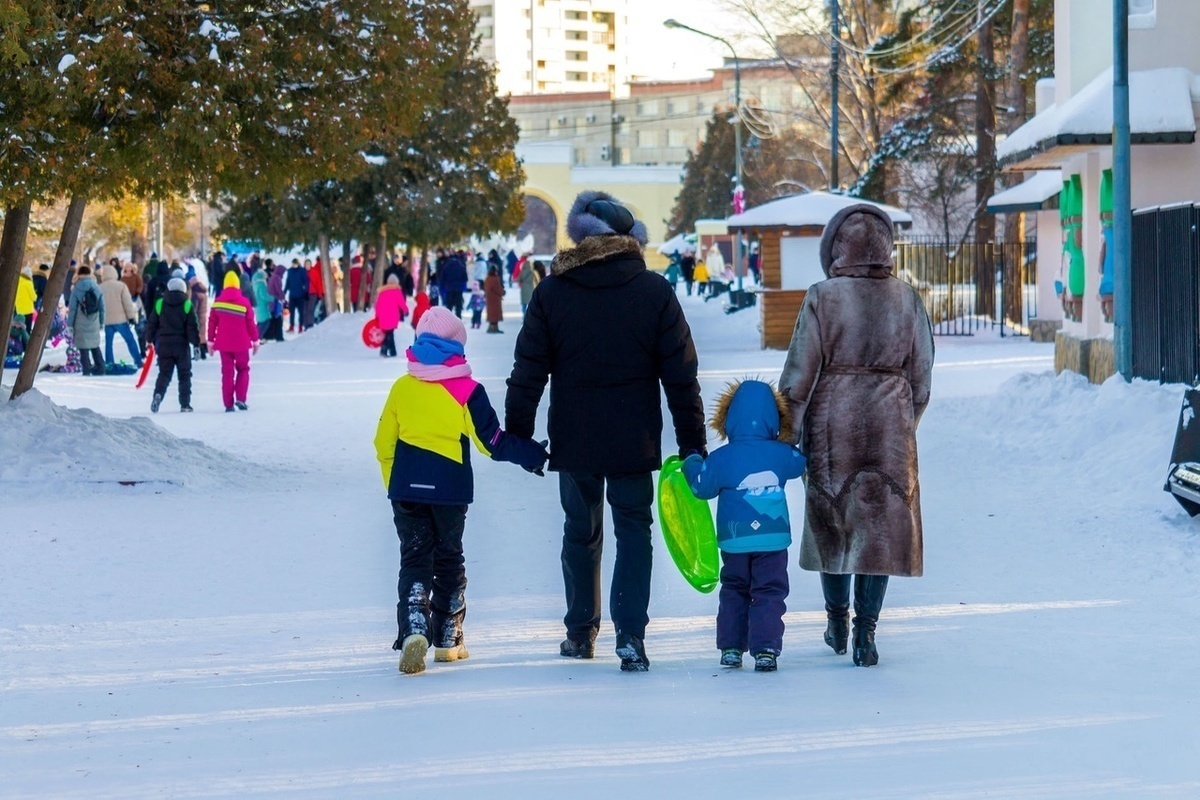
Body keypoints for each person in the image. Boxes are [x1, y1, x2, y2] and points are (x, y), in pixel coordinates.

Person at [505, 190, 706, 671]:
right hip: (634, 437)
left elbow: (529, 366)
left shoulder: (554, 292)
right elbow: (681, 375)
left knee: (581, 531)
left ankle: (580, 632)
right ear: (630, 240)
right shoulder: (654, 291)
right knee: (634, 531)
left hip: (575, 438)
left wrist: (518, 432)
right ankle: (631, 635)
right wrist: (692, 443)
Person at [778, 204, 935, 668]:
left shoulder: (822, 297)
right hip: (890, 427)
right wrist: (906, 421)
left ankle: (836, 621)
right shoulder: (907, 299)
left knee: (834, 523)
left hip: (832, 424)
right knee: (880, 531)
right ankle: (867, 632)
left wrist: (789, 430)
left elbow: (799, 375)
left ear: (836, 249)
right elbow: (922, 379)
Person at [374, 307, 548, 674]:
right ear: (456, 346)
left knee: (414, 559)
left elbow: (382, 443)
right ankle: (449, 638)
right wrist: (533, 454)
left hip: (406, 489)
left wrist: (394, 481)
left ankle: (414, 629)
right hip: (450, 491)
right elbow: (493, 444)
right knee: (449, 558)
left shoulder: (403, 387)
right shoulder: (467, 390)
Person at [681, 380, 807, 672]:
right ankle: (765, 648)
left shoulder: (722, 458)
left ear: (728, 420)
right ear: (775, 419)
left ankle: (731, 647)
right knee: (769, 590)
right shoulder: (780, 454)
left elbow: (701, 487)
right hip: (772, 539)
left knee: (734, 587)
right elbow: (800, 464)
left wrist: (691, 462)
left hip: (734, 539)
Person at [146, 276, 200, 413]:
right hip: (182, 346)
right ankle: (185, 404)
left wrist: (149, 339)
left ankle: (158, 394)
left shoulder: (160, 303)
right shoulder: (187, 305)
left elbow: (152, 324)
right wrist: (197, 345)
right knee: (184, 375)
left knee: (164, 374)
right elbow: (192, 327)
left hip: (164, 345)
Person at [208, 269, 259, 412]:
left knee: (227, 373)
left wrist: (210, 341)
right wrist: (255, 340)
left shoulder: (217, 303)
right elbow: (251, 323)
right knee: (243, 369)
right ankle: (241, 399)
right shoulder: (244, 303)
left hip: (224, 345)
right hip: (241, 344)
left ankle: (228, 404)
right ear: (238, 285)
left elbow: (212, 323)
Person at [98, 264, 142, 369]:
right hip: (121, 320)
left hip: (107, 321)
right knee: (130, 340)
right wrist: (131, 317)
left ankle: (109, 363)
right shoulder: (121, 286)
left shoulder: (99, 288)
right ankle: (138, 360)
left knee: (108, 344)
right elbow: (127, 303)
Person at [67, 264, 106, 376]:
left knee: (83, 347)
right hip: (94, 320)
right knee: (95, 345)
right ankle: (100, 368)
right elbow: (102, 306)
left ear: (78, 274)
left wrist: (70, 325)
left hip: (80, 321)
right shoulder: (96, 287)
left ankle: (86, 369)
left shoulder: (76, 288)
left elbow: (72, 309)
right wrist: (102, 322)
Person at [374, 274, 409, 358]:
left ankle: (393, 352)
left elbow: (377, 305)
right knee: (389, 334)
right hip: (393, 316)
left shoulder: (382, 292)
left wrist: (377, 316)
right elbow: (402, 303)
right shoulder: (397, 291)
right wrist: (406, 311)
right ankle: (384, 350)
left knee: (389, 333)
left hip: (383, 316)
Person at [438, 251, 467, 319]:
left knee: (449, 305)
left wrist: (442, 289)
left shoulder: (446, 267)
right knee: (458, 306)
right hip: (458, 288)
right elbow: (465, 279)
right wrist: (463, 287)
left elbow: (442, 279)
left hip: (449, 288)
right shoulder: (461, 267)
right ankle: (458, 318)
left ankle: (449, 319)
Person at [285, 259, 309, 332]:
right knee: (291, 312)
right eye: (293, 264)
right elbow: (288, 281)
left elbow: (306, 281)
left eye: (296, 264)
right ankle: (291, 326)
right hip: (292, 295)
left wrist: (306, 291)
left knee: (301, 312)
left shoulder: (302, 271)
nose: (294, 265)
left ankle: (300, 326)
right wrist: (285, 291)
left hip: (300, 294)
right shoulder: (290, 271)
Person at [483, 264, 504, 333]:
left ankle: (491, 327)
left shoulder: (487, 279)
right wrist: (503, 292)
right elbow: (498, 289)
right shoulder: (495, 279)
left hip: (489, 299)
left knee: (491, 313)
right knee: (495, 314)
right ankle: (494, 328)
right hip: (495, 299)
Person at [15, 266, 36, 333]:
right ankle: (26, 342)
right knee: (27, 327)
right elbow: (33, 297)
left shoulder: (17, 281)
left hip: (18, 308)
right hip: (27, 309)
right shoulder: (28, 283)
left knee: (18, 326)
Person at [305, 258, 324, 327]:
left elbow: (318, 284)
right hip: (305, 294)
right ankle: (307, 324)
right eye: (306, 264)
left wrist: (319, 295)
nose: (307, 266)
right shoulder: (303, 272)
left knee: (310, 309)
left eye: (308, 264)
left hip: (313, 293)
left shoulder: (314, 272)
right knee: (306, 309)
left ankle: (310, 324)